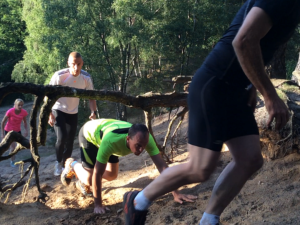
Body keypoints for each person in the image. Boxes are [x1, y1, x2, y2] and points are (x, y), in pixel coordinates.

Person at [122, 0, 300, 224]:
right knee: (200, 168)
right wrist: (270, 96)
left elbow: (259, 46)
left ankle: (209, 220)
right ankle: (136, 202)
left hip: (237, 90)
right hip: (215, 85)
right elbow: (243, 41)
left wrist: (253, 85)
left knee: (250, 159)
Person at [60, 118, 196, 214]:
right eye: (138, 146)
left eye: (144, 146)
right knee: (91, 179)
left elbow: (163, 167)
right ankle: (72, 164)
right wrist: (98, 204)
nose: (141, 149)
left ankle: (80, 179)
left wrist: (176, 193)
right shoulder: (111, 142)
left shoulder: (144, 140)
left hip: (108, 134)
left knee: (112, 175)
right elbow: (98, 173)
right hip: (89, 135)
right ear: (128, 139)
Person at [48, 52, 97, 176]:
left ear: (82, 64)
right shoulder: (59, 76)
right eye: (73, 64)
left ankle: (66, 165)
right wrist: (49, 113)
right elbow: (47, 95)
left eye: (78, 64)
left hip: (73, 111)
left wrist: (93, 112)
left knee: (70, 140)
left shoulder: (86, 77)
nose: (76, 67)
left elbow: (92, 97)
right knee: (62, 136)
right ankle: (58, 163)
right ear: (68, 63)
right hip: (58, 108)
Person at [1, 98, 28, 167]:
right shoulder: (10, 111)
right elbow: (3, 122)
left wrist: (26, 130)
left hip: (17, 131)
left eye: (21, 105)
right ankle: (12, 161)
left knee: (24, 145)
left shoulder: (24, 112)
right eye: (19, 105)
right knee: (13, 147)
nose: (20, 107)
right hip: (9, 131)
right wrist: (2, 134)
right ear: (15, 105)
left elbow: (24, 122)